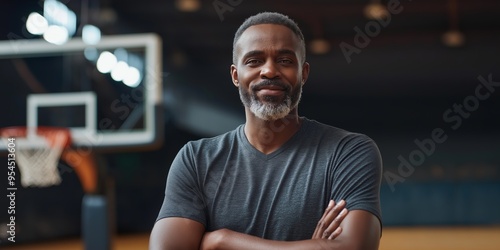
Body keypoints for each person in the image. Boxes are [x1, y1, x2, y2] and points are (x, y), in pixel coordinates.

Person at [150, 12, 382, 250]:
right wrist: (313, 247)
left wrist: (222, 241)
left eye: (285, 61)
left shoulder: (349, 151)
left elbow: (354, 247)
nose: (270, 71)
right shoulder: (196, 159)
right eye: (254, 61)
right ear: (235, 75)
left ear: (303, 74)